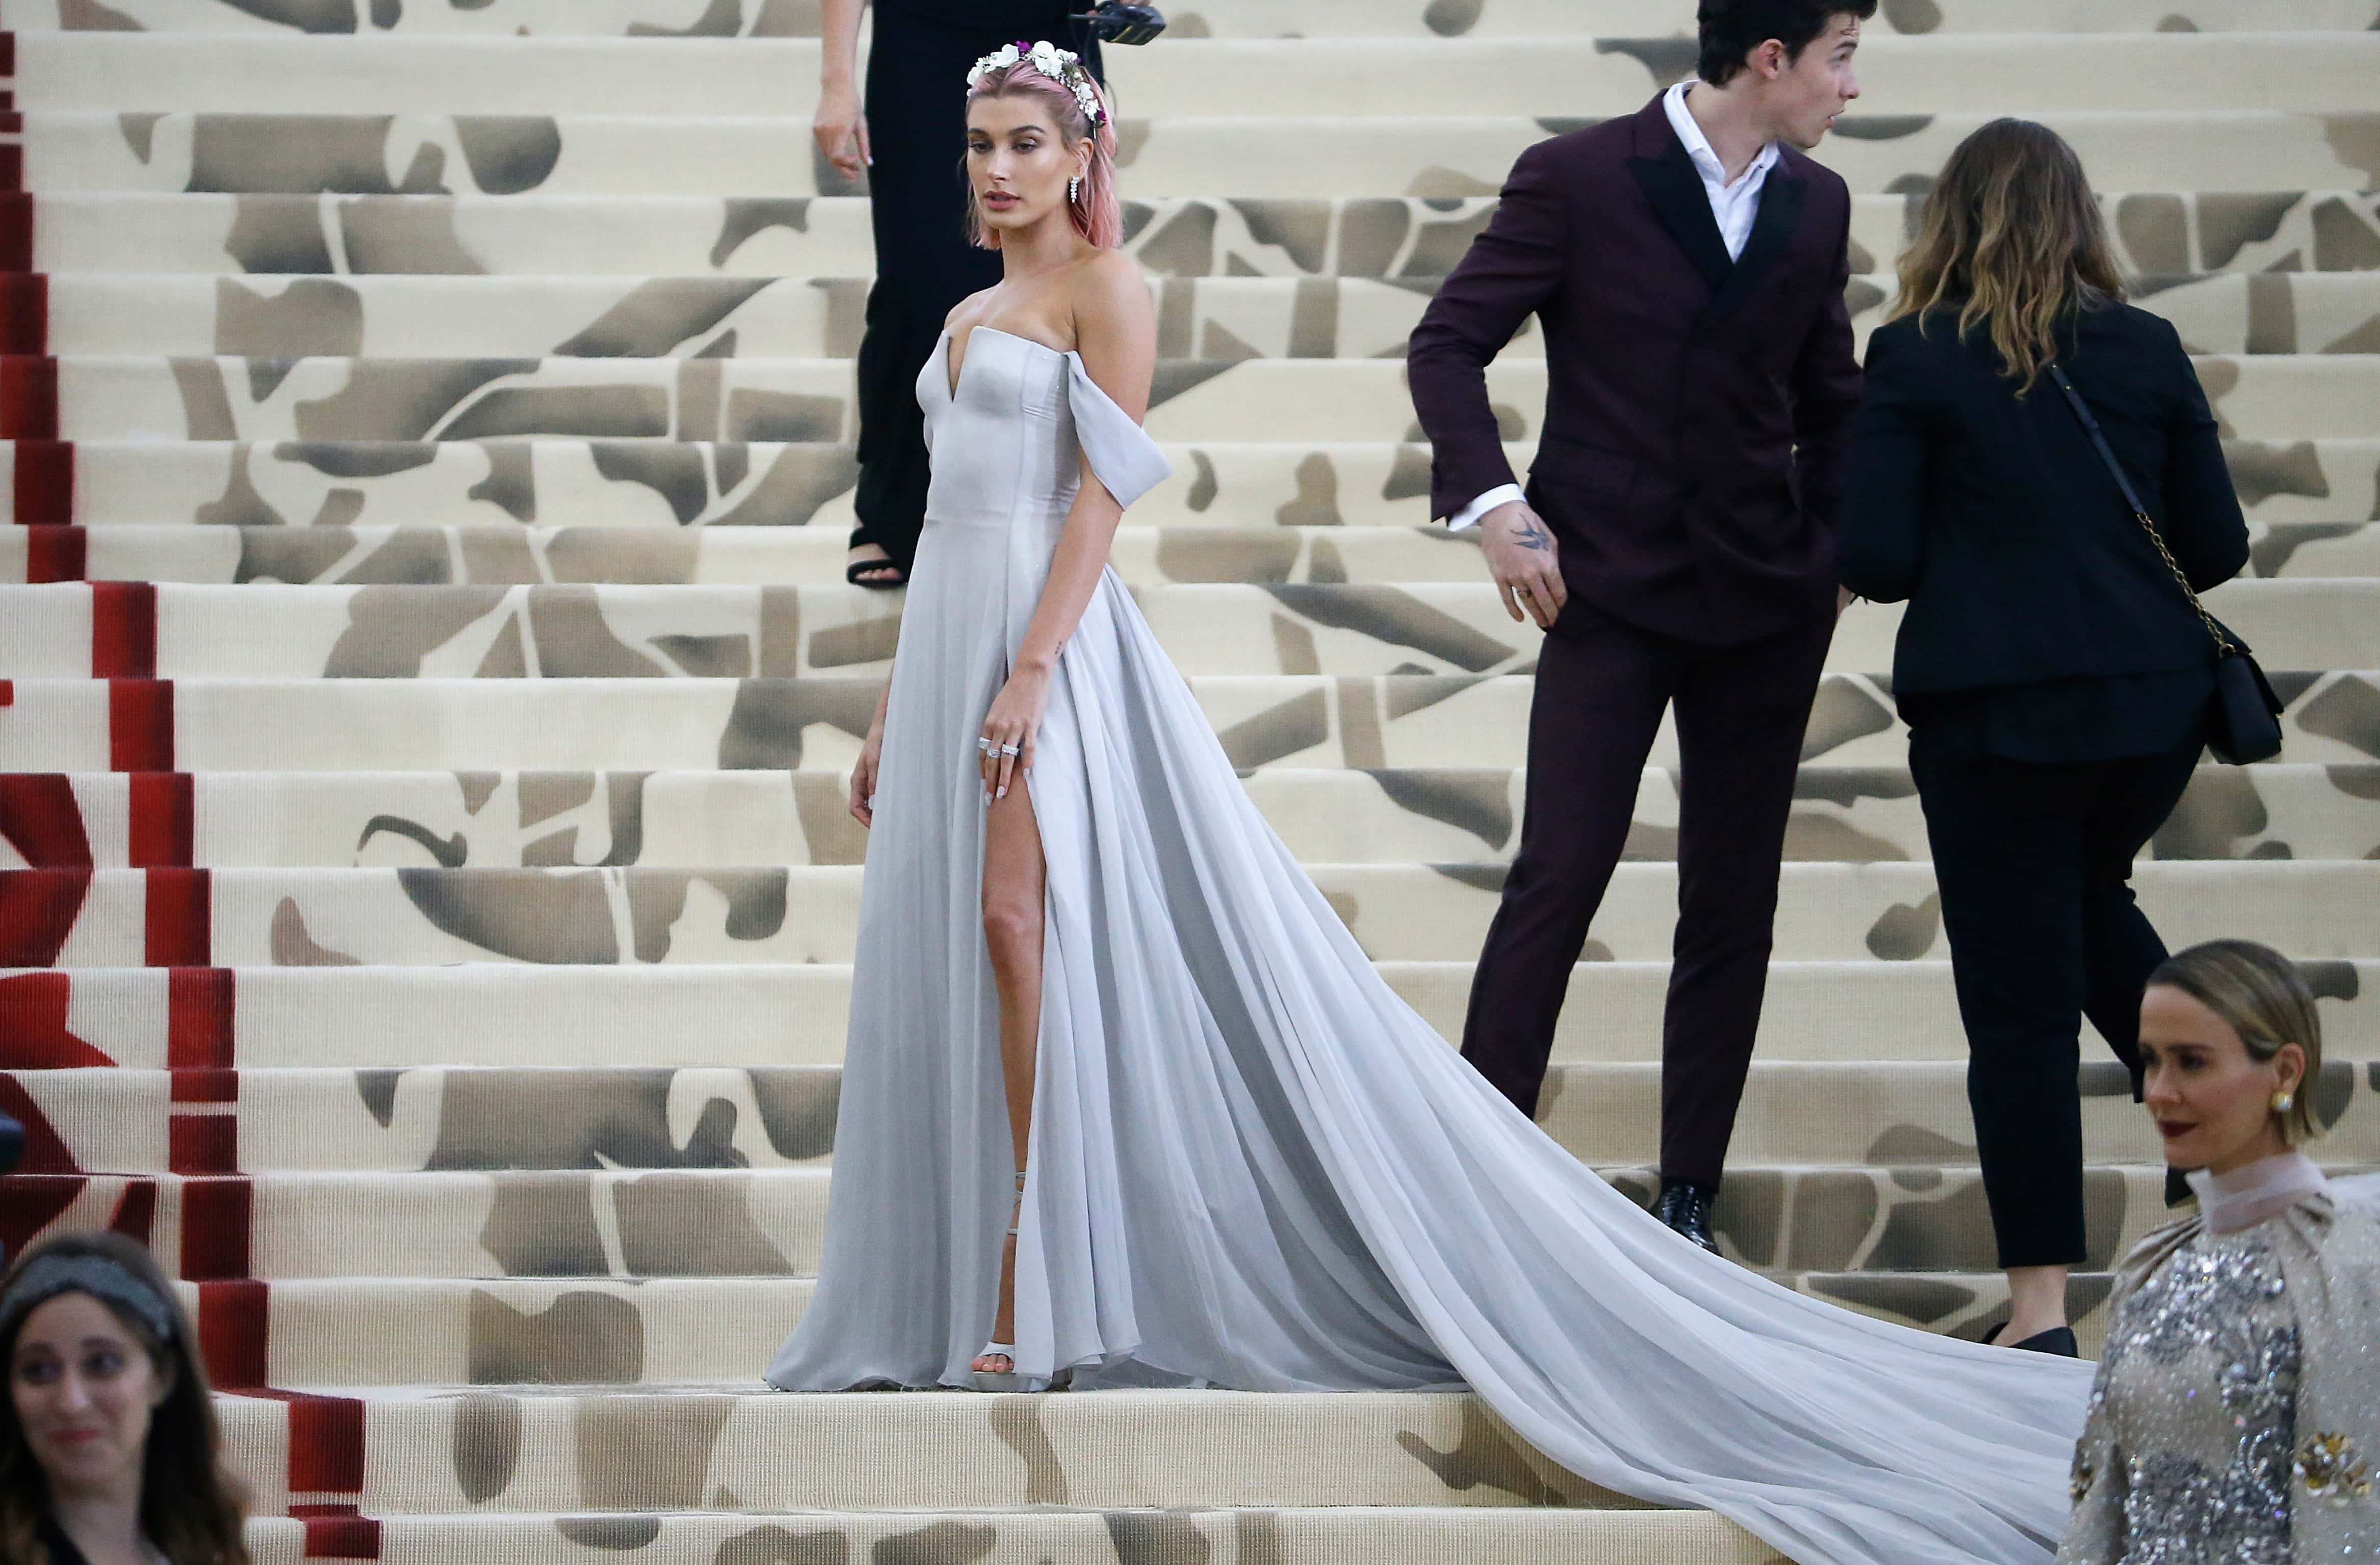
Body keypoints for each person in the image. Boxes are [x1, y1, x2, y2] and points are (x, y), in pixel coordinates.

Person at [768, 38, 2099, 1565]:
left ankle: (1032, 1268)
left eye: (1019, 141)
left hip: (1048, 653)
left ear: (1078, 155)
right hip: (951, 649)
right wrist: (896, 705)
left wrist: (1029, 672)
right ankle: (972, 1274)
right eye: (975, 145)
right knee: (968, 940)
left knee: (1022, 928)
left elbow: (1096, 506)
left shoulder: (1107, 293)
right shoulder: (951, 315)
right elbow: (941, 527)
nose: (992, 169)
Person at [1402, 0, 1870, 1253]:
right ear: (1769, 60)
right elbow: (1446, 345)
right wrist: (1495, 508)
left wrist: (1835, 554)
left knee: (1733, 896)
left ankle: (1686, 1196)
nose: (1849, 87)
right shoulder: (1576, 176)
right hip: (1604, 585)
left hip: (1766, 601)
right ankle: (1481, 1171)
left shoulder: (1815, 205)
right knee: (1557, 871)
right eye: (1840, 57)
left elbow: (1832, 399)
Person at [1839, 119, 2250, 1356]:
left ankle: (2036, 1311)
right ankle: (2229, 1135)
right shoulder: (2141, 346)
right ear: (2076, 218)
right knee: (2080, 901)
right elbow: (2217, 547)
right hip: (2144, 709)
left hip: (1993, 717)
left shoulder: (1911, 354)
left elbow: (1875, 558)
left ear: (1946, 224)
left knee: (2015, 1004)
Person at [2062, 940, 2380, 1562]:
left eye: (2192, 1063)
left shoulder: (2353, 1264)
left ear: (2286, 1072)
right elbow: (2101, 1501)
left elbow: (2355, 1505)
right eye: (2151, 1061)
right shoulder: (2151, 1267)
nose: (2159, 1091)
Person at [815, 0, 1105, 588]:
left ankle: (1061, 519)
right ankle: (891, 512)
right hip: (921, 37)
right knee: (917, 284)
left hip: (1050, 33)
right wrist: (836, 83)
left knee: (1052, 275)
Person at [0, 1232, 249, 1565]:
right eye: (37, 1370)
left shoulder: (201, 1545)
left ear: (162, 1376)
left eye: (102, 1363)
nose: (71, 1401)